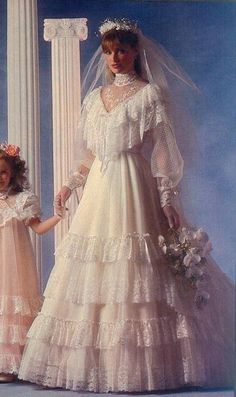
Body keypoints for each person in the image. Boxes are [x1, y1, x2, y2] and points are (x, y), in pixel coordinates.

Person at [19, 19, 234, 392]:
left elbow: (165, 150)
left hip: (133, 186)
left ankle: (145, 368)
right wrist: (70, 186)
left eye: (121, 50)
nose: (114, 58)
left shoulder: (149, 96)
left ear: (135, 51)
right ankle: (93, 365)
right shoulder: (94, 99)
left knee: (139, 269)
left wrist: (167, 196)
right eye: (107, 52)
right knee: (92, 271)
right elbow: (88, 155)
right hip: (101, 188)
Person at [0, 143, 62, 382]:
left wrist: (58, 216)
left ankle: (12, 364)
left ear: (13, 172)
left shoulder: (23, 200)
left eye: (3, 172)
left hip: (15, 267)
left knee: (14, 307)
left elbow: (38, 229)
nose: (0, 178)